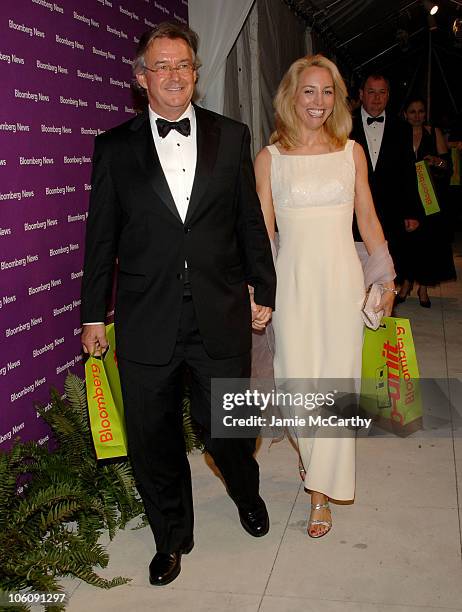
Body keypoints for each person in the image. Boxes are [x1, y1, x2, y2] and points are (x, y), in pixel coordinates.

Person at [80, 22, 276, 586]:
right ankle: (172, 536)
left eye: (182, 64)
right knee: (152, 437)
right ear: (142, 79)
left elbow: (249, 224)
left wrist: (263, 288)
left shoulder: (232, 136)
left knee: (229, 428)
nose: (173, 75)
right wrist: (94, 313)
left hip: (219, 311)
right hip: (147, 317)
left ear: (196, 72)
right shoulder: (114, 148)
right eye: (159, 66)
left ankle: (245, 490)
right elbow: (101, 239)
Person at [254, 55, 396, 538]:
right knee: (295, 386)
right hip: (291, 286)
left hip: (341, 285)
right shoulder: (270, 159)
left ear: (338, 98)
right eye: (309, 91)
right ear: (292, 97)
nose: (318, 102)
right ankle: (311, 457)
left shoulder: (350, 152)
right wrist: (258, 294)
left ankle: (321, 494)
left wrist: (385, 279)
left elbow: (369, 222)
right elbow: (263, 235)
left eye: (328, 91)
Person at [351, 74, 421, 275]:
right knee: (356, 264)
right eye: (371, 92)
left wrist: (412, 211)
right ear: (361, 94)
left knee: (390, 263)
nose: (376, 98)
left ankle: (384, 301)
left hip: (392, 209)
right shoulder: (345, 126)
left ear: (388, 96)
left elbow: (408, 170)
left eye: (382, 92)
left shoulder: (402, 129)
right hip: (354, 209)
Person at [397, 98, 456, 306]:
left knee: (427, 243)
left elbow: (447, 166)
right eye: (412, 111)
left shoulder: (434, 132)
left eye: (420, 111)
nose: (417, 115)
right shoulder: (399, 133)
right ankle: (405, 283)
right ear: (405, 114)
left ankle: (423, 288)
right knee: (406, 242)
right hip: (406, 195)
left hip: (429, 196)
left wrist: (436, 161)